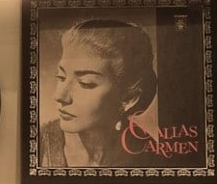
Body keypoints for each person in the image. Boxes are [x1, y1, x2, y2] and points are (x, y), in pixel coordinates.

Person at [38, 21, 157, 173]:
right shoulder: (38, 144)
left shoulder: (148, 156)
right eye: (61, 77)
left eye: (85, 83)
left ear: (129, 98)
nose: (59, 96)